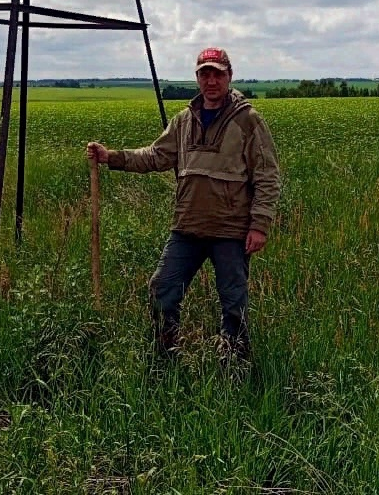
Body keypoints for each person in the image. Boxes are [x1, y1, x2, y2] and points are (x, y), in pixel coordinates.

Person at [86, 47, 281, 362]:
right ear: (197, 78)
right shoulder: (183, 121)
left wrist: (259, 225)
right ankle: (166, 357)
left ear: (229, 76)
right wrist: (113, 157)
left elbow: (267, 176)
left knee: (233, 303)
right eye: (205, 74)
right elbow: (156, 156)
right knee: (162, 289)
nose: (211, 81)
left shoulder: (248, 121)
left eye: (217, 74)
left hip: (230, 231)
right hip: (187, 227)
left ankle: (235, 364)